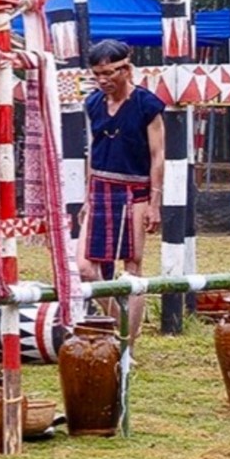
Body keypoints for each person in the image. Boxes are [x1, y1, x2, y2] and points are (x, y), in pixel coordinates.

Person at [77, 39, 165, 345]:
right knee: (86, 269)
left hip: (135, 189)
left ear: (126, 69)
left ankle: (128, 344)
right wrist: (87, 196)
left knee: (132, 268)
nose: (103, 80)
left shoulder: (147, 105)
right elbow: (93, 151)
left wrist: (154, 202)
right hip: (100, 187)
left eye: (109, 73)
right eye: (97, 74)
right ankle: (120, 324)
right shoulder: (93, 103)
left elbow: (157, 155)